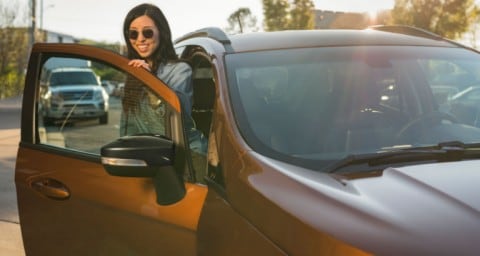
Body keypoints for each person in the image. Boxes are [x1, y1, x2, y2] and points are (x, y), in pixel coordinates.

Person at [121, 3, 207, 157]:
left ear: (161, 33)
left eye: (147, 33)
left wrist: (149, 82)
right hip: (147, 158)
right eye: (133, 34)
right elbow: (129, 126)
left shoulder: (180, 70)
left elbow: (178, 117)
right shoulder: (132, 72)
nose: (140, 39)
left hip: (185, 157)